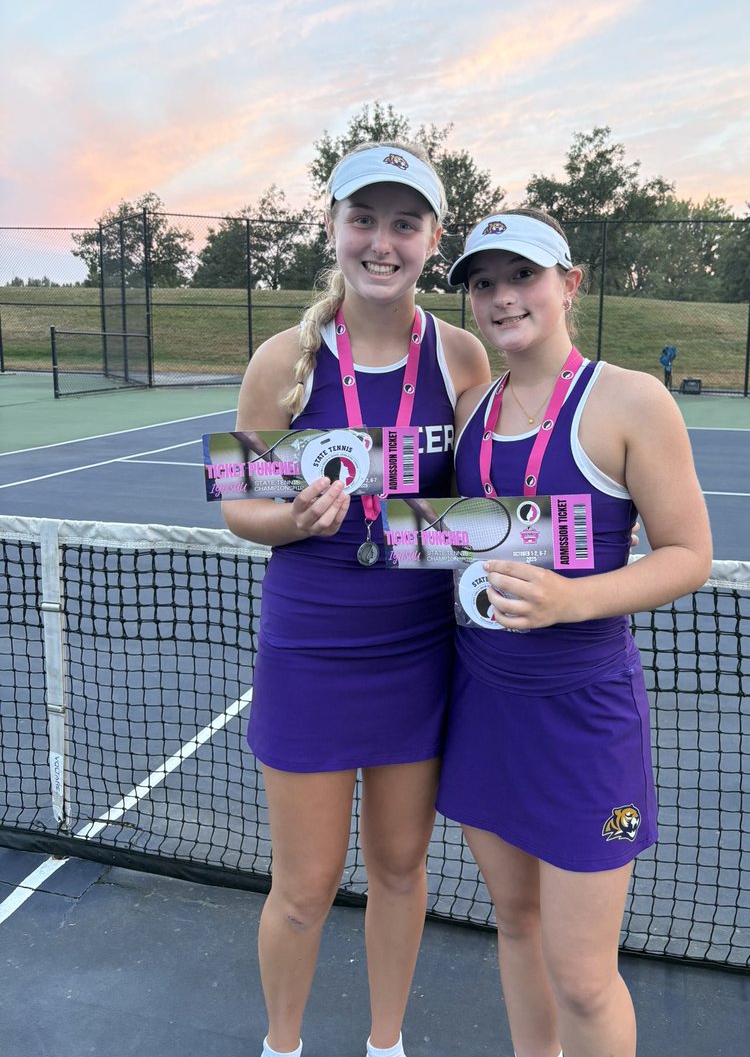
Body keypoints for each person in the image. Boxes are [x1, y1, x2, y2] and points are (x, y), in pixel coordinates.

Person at [221, 141, 490, 1057]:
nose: (383, 243)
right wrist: (291, 521)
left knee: (401, 869)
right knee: (302, 888)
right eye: (364, 220)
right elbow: (238, 509)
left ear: (432, 239)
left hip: (420, 656)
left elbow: (484, 500)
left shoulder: (462, 360)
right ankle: (281, 1046)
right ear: (332, 229)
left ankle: (385, 1044)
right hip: (310, 654)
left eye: (404, 224)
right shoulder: (282, 362)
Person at [436, 209, 713, 1057]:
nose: (502, 296)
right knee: (516, 928)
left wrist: (571, 599)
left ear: (570, 283)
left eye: (522, 275)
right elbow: (451, 533)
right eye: (483, 282)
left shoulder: (631, 400)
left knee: (586, 974)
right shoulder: (475, 404)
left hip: (585, 722)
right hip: (484, 709)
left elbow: (690, 555)